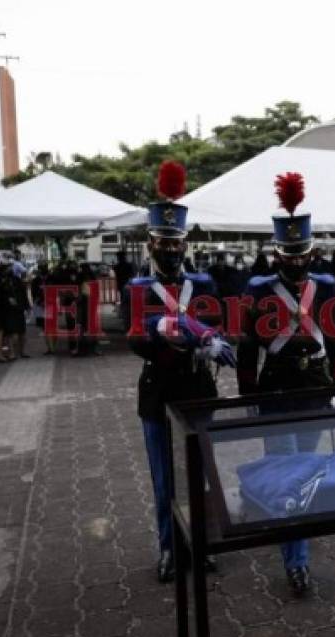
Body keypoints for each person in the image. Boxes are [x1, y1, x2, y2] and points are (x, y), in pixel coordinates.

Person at [237, 172, 335, 597]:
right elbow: (248, 348)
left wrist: (334, 388)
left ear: (312, 251)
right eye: (287, 253)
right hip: (277, 389)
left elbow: (334, 343)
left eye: (301, 253)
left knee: (305, 469)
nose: (295, 262)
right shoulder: (259, 288)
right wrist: (249, 398)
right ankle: (296, 559)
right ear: (276, 252)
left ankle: (286, 528)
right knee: (288, 474)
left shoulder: (328, 285)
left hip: (315, 388)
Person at [127, 161, 234, 583]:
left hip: (198, 387)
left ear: (185, 243)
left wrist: (213, 341)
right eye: (162, 242)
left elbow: (219, 321)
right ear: (150, 243)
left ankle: (202, 544)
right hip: (159, 391)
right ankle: (170, 548)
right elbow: (136, 340)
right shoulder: (138, 289)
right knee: (164, 478)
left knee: (202, 474)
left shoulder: (203, 284)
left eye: (176, 242)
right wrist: (166, 328)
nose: (170, 249)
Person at [0, 260, 30, 360]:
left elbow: (24, 294)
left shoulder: (16, 280)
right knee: (13, 333)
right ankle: (13, 352)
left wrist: (27, 306)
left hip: (17, 309)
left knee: (20, 332)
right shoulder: (2, 282)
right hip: (9, 310)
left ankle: (20, 351)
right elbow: (0, 296)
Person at [31, 261, 57, 354]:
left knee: (51, 326)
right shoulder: (36, 280)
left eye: (44, 267)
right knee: (45, 327)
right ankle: (50, 348)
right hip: (40, 306)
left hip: (51, 305)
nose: (43, 270)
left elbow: (56, 291)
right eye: (41, 268)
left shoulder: (52, 278)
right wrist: (40, 302)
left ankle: (52, 347)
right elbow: (34, 294)